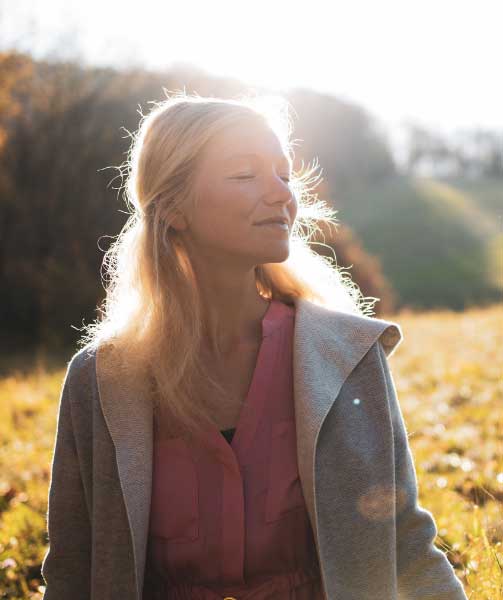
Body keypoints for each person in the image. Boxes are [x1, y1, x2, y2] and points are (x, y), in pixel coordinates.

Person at [41, 93, 468, 599]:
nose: (280, 195)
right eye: (245, 176)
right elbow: (72, 571)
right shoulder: (101, 381)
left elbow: (406, 544)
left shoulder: (348, 356)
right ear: (173, 207)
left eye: (284, 175)